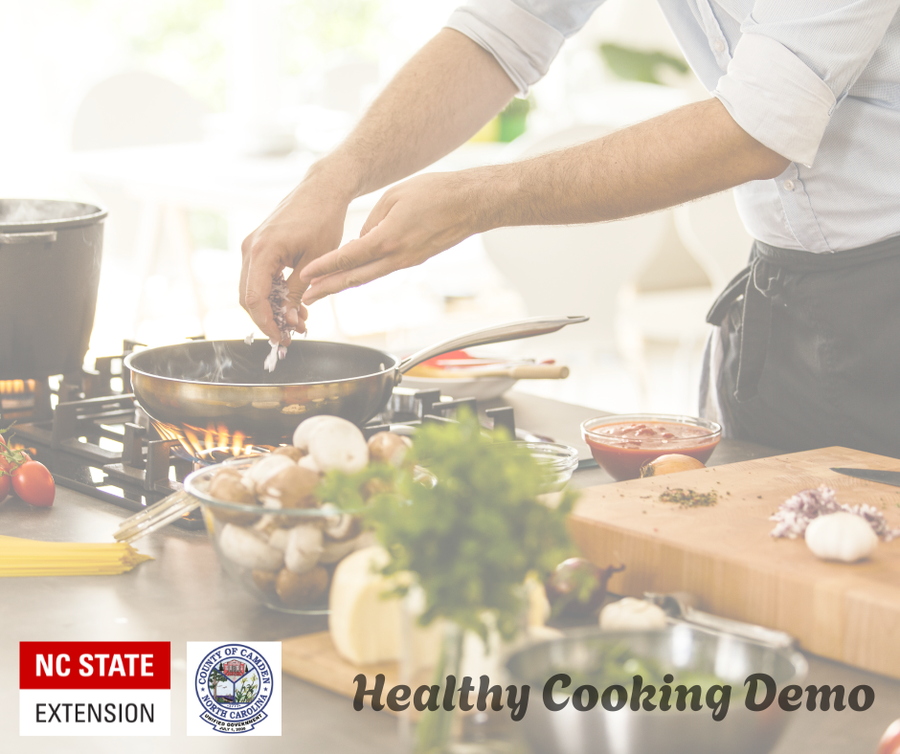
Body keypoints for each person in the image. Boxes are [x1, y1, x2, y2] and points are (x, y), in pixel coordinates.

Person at [240, 1, 900, 456]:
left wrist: (479, 200)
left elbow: (758, 129)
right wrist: (335, 177)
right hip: (782, 299)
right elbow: (502, 30)